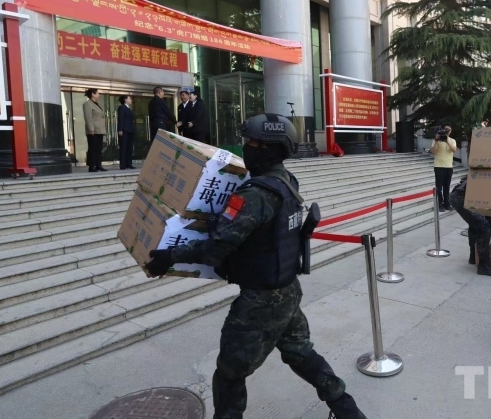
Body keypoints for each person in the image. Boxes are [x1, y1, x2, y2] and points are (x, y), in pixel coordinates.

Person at [145, 113, 366, 419]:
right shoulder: (286, 181)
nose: (245, 148)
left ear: (268, 149)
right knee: (300, 352)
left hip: (260, 302)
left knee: (229, 373)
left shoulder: (255, 195)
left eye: (251, 143)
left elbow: (216, 249)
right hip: (287, 290)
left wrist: (169, 257)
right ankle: (346, 408)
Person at [448, 175, 491, 276]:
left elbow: (489, 213)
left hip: (460, 196)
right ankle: (483, 267)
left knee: (476, 224)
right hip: (461, 198)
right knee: (484, 228)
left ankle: (473, 257)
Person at [429, 125, 457, 212]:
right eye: (445, 130)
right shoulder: (436, 140)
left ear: (450, 132)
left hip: (449, 166)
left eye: (448, 130)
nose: (447, 132)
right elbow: (433, 151)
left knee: (446, 186)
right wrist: (437, 140)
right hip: (439, 166)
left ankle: (447, 204)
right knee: (439, 186)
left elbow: (454, 150)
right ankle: (439, 204)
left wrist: (447, 141)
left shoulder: (452, 140)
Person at [82, 88, 107, 173]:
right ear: (93, 94)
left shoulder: (96, 104)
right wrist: (91, 129)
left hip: (99, 130)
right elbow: (88, 117)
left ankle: (98, 165)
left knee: (98, 149)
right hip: (93, 130)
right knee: (92, 148)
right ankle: (92, 166)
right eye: (98, 93)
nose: (99, 95)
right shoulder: (87, 104)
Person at [117, 95, 136, 170]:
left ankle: (129, 163)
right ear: (125, 100)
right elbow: (121, 119)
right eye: (129, 98)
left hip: (130, 130)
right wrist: (120, 129)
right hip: (124, 130)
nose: (131, 100)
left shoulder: (128, 109)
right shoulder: (122, 108)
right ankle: (123, 164)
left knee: (129, 147)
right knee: (124, 147)